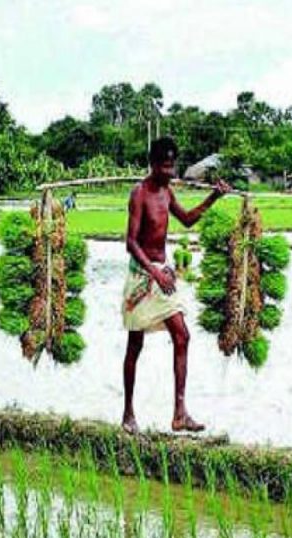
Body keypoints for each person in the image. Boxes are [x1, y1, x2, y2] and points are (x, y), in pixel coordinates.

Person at [122, 137, 230, 434]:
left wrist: (213, 198)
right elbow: (131, 242)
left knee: (182, 336)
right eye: (165, 165)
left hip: (161, 273)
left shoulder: (167, 192)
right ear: (154, 164)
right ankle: (128, 413)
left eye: (173, 165)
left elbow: (187, 220)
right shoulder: (139, 194)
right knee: (135, 345)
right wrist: (154, 274)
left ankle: (180, 413)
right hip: (142, 277)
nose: (170, 170)